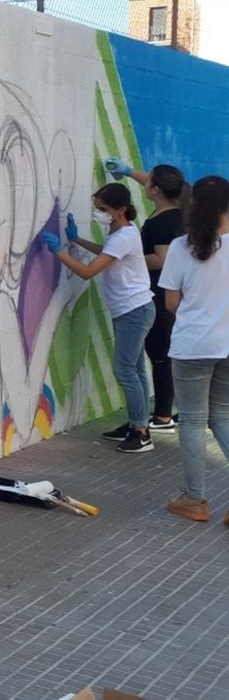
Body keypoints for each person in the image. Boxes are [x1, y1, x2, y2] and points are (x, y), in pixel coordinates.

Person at [40, 183, 156, 452]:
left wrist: (59, 252)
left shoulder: (124, 236)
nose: (99, 214)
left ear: (121, 210)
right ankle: (136, 424)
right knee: (135, 368)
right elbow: (106, 253)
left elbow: (88, 272)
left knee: (125, 370)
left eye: (103, 210)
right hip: (129, 310)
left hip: (134, 311)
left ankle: (141, 432)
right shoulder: (118, 233)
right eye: (97, 209)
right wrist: (76, 239)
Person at [157, 175, 229, 524]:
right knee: (223, 417)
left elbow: (172, 304)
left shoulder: (180, 247)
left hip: (192, 345)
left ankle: (195, 498)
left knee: (193, 420)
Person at [107, 158, 191, 430]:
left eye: (149, 180)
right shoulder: (173, 208)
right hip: (153, 288)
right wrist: (128, 172)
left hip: (156, 290)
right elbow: (154, 180)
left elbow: (163, 258)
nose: (145, 181)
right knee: (146, 358)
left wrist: (127, 257)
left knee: (158, 353)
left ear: (156, 190)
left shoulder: (165, 222)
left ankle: (162, 415)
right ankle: (142, 417)